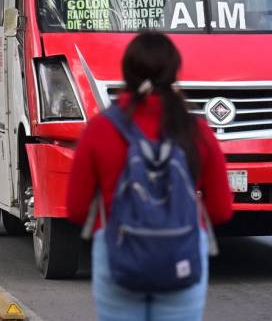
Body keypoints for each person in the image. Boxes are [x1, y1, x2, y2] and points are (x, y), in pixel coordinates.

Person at [66, 32, 233, 321]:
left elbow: (77, 210)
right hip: (180, 254)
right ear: (174, 72)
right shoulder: (196, 131)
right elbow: (220, 211)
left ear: (127, 72)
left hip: (118, 254)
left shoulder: (100, 129)